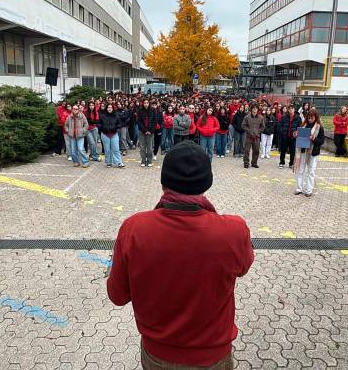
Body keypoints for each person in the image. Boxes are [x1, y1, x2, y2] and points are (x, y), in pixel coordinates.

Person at [107, 141, 254, 369]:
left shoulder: (133, 228)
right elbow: (244, 266)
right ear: (207, 182)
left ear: (164, 182)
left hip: (157, 354)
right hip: (213, 356)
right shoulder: (233, 230)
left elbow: (117, 295)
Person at [294, 109, 325, 197]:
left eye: (312, 117)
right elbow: (298, 137)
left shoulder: (319, 127)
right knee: (301, 170)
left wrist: (314, 138)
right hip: (303, 150)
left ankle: (309, 190)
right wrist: (295, 134)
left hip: (313, 152)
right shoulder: (303, 125)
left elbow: (321, 141)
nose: (310, 119)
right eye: (309, 117)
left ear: (315, 117)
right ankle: (299, 188)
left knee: (311, 171)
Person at [99, 103, 125, 168]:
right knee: (107, 149)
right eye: (108, 107)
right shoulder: (102, 116)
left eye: (111, 107)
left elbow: (120, 124)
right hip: (105, 134)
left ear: (113, 108)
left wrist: (115, 127)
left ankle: (119, 162)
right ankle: (108, 162)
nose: (109, 109)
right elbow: (99, 124)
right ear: (106, 108)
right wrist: (103, 128)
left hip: (114, 134)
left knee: (116, 149)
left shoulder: (116, 115)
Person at [278, 105, 301, 169]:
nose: (291, 110)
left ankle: (291, 163)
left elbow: (300, 127)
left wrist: (296, 133)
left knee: (292, 151)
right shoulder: (284, 117)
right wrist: (282, 132)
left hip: (293, 138)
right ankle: (281, 162)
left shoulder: (298, 118)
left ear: (294, 109)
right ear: (288, 110)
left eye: (292, 108)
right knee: (283, 150)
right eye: (289, 109)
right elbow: (280, 125)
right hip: (285, 136)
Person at [242, 104, 264, 169]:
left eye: (256, 108)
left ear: (257, 109)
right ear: (251, 109)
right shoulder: (247, 117)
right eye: (253, 108)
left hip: (257, 137)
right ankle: (246, 163)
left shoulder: (261, 117)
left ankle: (254, 163)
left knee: (256, 150)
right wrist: (249, 130)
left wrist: (258, 131)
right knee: (247, 150)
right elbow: (243, 125)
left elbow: (263, 127)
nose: (255, 109)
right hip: (249, 136)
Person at [138, 99, 158, 167]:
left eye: (147, 103)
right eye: (144, 103)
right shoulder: (140, 111)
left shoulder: (153, 110)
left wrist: (150, 131)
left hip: (150, 132)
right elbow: (139, 122)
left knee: (149, 147)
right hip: (142, 131)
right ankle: (143, 161)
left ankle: (149, 161)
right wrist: (144, 130)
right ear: (143, 104)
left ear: (149, 103)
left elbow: (154, 122)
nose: (146, 104)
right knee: (142, 147)